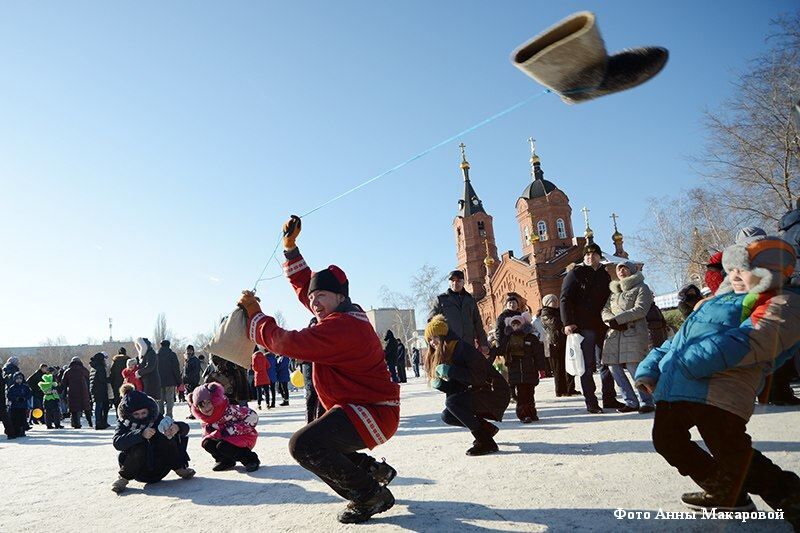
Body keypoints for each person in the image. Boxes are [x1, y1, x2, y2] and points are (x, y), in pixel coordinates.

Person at [238, 215, 399, 524]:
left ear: (340, 296)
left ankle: (368, 494)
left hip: (371, 412)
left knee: (304, 445)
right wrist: (290, 249)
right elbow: (306, 286)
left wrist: (256, 315)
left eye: (321, 296)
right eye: (312, 299)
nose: (315, 303)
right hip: (363, 408)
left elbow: (287, 342)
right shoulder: (342, 314)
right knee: (320, 432)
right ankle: (371, 470)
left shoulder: (343, 327)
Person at [635, 236, 800, 528]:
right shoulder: (714, 302)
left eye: (743, 269)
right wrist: (650, 368)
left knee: (734, 457)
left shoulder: (781, 301)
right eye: (731, 269)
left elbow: (756, 339)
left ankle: (791, 498)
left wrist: (690, 359)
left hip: (721, 391)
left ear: (769, 272)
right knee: (667, 440)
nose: (734, 275)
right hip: (679, 386)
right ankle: (724, 491)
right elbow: (678, 340)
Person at [425, 314, 510, 454]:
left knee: (453, 403)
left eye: (435, 337)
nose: (432, 342)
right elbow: (458, 387)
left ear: (444, 335)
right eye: (429, 339)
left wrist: (450, 371)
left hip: (495, 392)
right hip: (480, 391)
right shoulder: (446, 353)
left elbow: (478, 378)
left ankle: (486, 442)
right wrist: (442, 385)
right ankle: (486, 430)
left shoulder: (462, 349)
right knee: (447, 415)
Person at [560, 243, 623, 413]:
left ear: (599, 256)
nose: (590, 257)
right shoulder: (576, 273)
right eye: (587, 254)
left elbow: (610, 299)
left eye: (594, 254)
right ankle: (591, 401)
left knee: (606, 362)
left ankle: (609, 398)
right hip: (583, 326)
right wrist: (567, 322)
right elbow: (565, 299)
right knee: (587, 366)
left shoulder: (604, 275)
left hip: (602, 325)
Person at [111, 384, 195, 493]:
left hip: (161, 466)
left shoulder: (155, 417)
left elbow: (185, 428)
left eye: (143, 413)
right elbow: (117, 442)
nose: (141, 417)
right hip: (137, 470)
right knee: (139, 444)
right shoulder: (124, 423)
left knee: (164, 435)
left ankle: (179, 468)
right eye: (136, 414)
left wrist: (177, 428)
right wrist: (140, 434)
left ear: (149, 410)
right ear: (129, 414)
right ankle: (123, 478)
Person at [601, 261, 655, 414]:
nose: (621, 272)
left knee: (634, 367)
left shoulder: (641, 287)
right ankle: (630, 401)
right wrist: (610, 321)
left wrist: (618, 320)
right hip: (614, 334)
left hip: (633, 332)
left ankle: (646, 401)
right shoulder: (614, 292)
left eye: (624, 269)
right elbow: (605, 310)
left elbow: (641, 309)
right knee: (613, 368)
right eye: (619, 269)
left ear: (631, 270)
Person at [190, 382, 260, 472]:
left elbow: (252, 416)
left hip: (243, 435)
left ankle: (250, 459)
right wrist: (210, 433)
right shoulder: (205, 418)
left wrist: (232, 429)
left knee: (223, 446)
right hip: (224, 437)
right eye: (201, 405)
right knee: (207, 443)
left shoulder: (229, 410)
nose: (206, 408)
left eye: (208, 402)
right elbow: (207, 432)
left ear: (215, 400)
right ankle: (225, 461)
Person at [429, 270, 489, 353]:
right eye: (452, 281)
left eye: (458, 281)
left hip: (468, 344)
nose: (455, 283)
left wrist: (483, 343)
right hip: (449, 346)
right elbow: (431, 322)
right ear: (449, 283)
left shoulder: (470, 300)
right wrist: (435, 340)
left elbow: (477, 323)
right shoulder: (441, 300)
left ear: (463, 282)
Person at [503, 313, 541, 423]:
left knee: (530, 394)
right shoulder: (509, 339)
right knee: (521, 395)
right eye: (513, 325)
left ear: (523, 324)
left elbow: (538, 353)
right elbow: (502, 350)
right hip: (516, 372)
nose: (516, 327)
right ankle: (524, 415)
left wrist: (540, 366)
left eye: (518, 324)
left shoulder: (531, 338)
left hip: (529, 370)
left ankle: (532, 413)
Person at [539, 294, 578, 397]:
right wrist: (566, 320)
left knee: (568, 365)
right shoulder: (545, 313)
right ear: (547, 303)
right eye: (552, 301)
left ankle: (570, 388)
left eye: (556, 300)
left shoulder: (559, 311)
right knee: (558, 369)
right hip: (553, 344)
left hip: (564, 341)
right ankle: (560, 390)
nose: (555, 303)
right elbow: (555, 324)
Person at [59, 356, 92, 429]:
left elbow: (63, 383)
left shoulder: (68, 371)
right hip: (84, 392)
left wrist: (60, 391)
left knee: (74, 408)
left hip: (72, 392)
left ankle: (76, 424)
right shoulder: (84, 370)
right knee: (86, 408)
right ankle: (90, 423)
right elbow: (89, 380)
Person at [156, 340, 181, 417]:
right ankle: (169, 414)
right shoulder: (172, 355)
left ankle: (160, 414)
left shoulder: (157, 355)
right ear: (169, 345)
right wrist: (178, 380)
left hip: (159, 380)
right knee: (170, 399)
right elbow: (176, 368)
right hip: (171, 380)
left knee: (160, 399)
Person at [89, 352, 111, 429]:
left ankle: (98, 422)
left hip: (94, 389)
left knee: (98, 406)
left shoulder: (93, 367)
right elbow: (102, 379)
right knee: (99, 406)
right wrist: (110, 379)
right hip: (100, 389)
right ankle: (98, 423)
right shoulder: (100, 367)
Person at [6, 372, 32, 439]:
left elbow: (29, 394)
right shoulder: (12, 387)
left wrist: (24, 398)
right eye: (17, 378)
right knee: (15, 419)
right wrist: (16, 398)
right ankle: (16, 431)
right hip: (15, 406)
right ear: (14, 379)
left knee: (23, 419)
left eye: (20, 378)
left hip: (23, 406)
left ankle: (22, 431)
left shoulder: (25, 387)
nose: (19, 380)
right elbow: (9, 396)